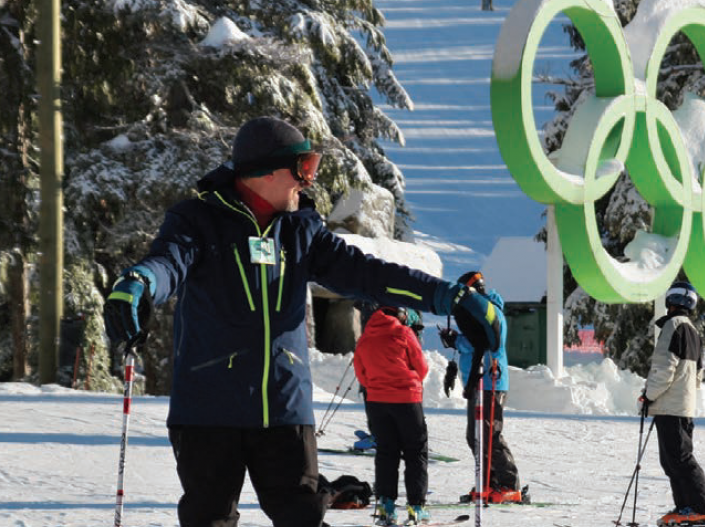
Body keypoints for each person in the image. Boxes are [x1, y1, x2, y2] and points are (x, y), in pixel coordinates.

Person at [102, 116, 501, 527]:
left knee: (303, 518)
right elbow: (167, 263)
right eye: (303, 168)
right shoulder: (197, 221)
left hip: (284, 409)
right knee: (208, 519)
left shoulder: (301, 232)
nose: (307, 182)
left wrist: (448, 296)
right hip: (209, 409)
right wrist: (139, 282)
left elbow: (370, 275)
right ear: (266, 171)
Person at [440, 271, 522, 504]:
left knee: (489, 435)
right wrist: (457, 340)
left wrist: (457, 341)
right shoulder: (480, 311)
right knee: (475, 436)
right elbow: (475, 342)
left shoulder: (490, 311)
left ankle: (508, 484)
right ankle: (489, 482)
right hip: (479, 381)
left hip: (491, 381)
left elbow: (486, 345)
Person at [641, 280, 705, 527]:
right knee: (673, 460)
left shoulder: (673, 326)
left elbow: (664, 368)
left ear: (670, 301)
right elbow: (697, 375)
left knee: (680, 459)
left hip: (670, 406)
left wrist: (650, 395)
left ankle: (701, 508)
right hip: (681, 406)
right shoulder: (692, 331)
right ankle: (686, 506)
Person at [354, 306, 430, 526]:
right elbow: (422, 367)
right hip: (407, 400)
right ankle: (416, 507)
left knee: (386, 452)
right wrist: (410, 380)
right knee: (416, 452)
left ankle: (386, 507)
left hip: (377, 402)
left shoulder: (366, 337)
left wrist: (376, 387)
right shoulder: (404, 333)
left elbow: (360, 371)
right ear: (400, 317)